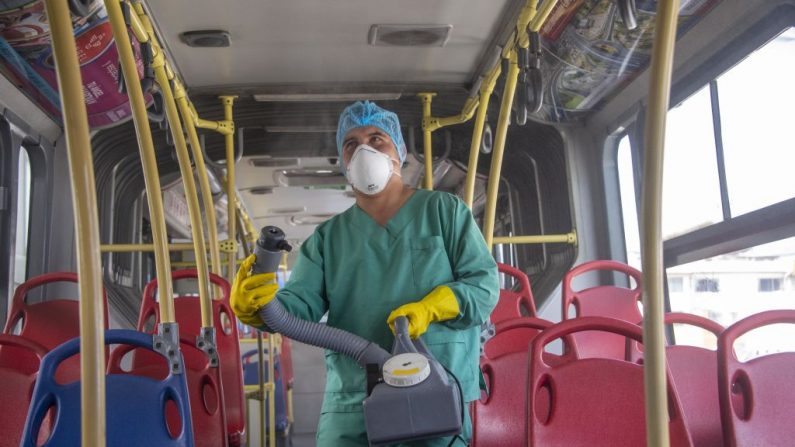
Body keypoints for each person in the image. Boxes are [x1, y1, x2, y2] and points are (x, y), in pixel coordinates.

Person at [231, 100, 498, 446]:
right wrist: (258, 306)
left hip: (434, 392)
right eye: (351, 144)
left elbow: (484, 286)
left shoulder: (444, 212)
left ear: (398, 152)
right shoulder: (328, 239)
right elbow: (295, 310)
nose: (363, 151)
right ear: (343, 162)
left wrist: (433, 306)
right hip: (354, 399)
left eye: (376, 140)